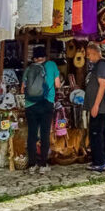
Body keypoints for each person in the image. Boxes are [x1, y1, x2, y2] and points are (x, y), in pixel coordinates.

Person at [21, 44, 60, 173]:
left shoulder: (28, 69)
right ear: (45, 56)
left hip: (30, 105)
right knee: (44, 134)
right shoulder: (52, 65)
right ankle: (43, 164)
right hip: (46, 103)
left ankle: (32, 165)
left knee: (32, 134)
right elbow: (57, 84)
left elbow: (23, 89)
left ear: (34, 58)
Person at [84, 41, 105, 172]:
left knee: (96, 134)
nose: (88, 57)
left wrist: (95, 105)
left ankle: (100, 162)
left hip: (100, 108)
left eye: (89, 54)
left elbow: (103, 84)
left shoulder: (101, 66)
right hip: (100, 107)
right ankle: (101, 161)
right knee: (100, 134)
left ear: (95, 53)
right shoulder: (100, 65)